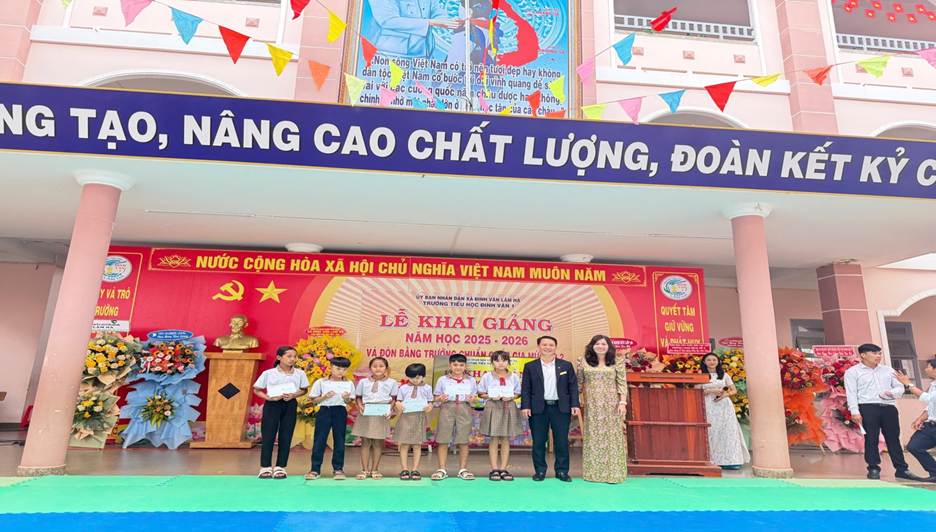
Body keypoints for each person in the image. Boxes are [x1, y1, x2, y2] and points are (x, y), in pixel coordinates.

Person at [844, 343, 920, 480]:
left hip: (888, 407)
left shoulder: (888, 370)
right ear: (863, 355)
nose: (878, 356)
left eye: (879, 353)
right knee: (871, 438)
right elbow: (851, 393)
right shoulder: (852, 372)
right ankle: (873, 468)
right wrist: (854, 411)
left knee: (893, 438)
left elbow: (900, 388)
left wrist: (891, 393)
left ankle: (902, 469)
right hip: (867, 407)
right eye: (874, 353)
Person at [521, 335, 580, 482]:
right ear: (539, 347)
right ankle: (540, 471)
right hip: (538, 409)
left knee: (561, 441)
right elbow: (526, 388)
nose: (547, 347)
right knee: (539, 441)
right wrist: (525, 406)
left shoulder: (566, 365)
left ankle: (562, 471)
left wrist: (575, 404)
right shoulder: (530, 366)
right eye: (544, 344)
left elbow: (573, 387)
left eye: (551, 345)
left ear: (555, 347)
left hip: (560, 408)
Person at [576, 335, 628, 483]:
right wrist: (575, 402)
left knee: (612, 437)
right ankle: (594, 473)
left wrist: (622, 402)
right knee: (593, 437)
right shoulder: (583, 362)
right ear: (591, 346)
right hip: (592, 406)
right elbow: (579, 383)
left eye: (603, 344)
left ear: (609, 346)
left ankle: (614, 474)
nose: (600, 346)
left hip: (612, 405)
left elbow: (622, 383)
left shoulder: (617, 361)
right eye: (597, 344)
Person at [252, 346, 308, 479]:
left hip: (290, 404)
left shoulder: (300, 373)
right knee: (268, 435)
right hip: (272, 405)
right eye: (289, 356)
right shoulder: (268, 373)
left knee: (286, 435)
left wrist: (294, 395)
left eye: (294, 356)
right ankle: (265, 467)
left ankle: (280, 467)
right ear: (279, 357)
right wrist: (268, 398)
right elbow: (257, 389)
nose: (292, 359)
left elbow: (304, 389)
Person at [304, 356, 355, 480]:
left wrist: (346, 398)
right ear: (331, 367)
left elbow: (351, 402)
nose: (341, 372)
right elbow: (313, 400)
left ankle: (338, 469)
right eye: (338, 368)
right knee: (319, 440)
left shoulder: (349, 383)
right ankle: (315, 469)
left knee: (339, 440)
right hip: (324, 411)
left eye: (344, 369)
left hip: (340, 411)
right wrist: (324, 397)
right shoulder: (321, 382)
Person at [700, 352, 750, 470]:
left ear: (718, 362)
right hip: (708, 405)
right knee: (712, 431)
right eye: (709, 360)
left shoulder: (724, 375)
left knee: (727, 431)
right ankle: (711, 459)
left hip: (724, 406)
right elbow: (697, 390)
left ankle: (731, 460)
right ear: (704, 362)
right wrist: (712, 391)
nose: (712, 362)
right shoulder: (700, 375)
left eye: (714, 360)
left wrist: (724, 395)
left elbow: (733, 390)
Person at [478, 350, 523, 481]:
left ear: (508, 362)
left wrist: (512, 397)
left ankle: (503, 469)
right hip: (493, 406)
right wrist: (491, 396)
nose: (501, 363)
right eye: (497, 360)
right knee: (494, 438)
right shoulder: (487, 376)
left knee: (505, 438)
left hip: (508, 407)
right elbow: (480, 393)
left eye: (504, 360)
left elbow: (518, 392)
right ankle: (494, 469)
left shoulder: (514, 376)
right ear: (492, 363)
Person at [432, 353, 478, 481]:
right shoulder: (442, 380)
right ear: (450, 365)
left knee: (463, 440)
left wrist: (473, 399)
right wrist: (440, 398)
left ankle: (463, 469)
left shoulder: (471, 380)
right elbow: (436, 398)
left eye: (461, 365)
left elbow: (474, 397)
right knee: (443, 439)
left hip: (464, 408)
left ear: (465, 366)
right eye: (455, 364)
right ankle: (441, 469)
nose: (458, 367)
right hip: (447, 408)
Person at [351, 357, 398, 480]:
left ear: (386, 368)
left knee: (378, 442)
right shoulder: (363, 382)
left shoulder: (392, 382)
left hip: (381, 413)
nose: (378, 368)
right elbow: (358, 397)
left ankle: (375, 469)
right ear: (370, 368)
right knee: (365, 442)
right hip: (366, 413)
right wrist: (360, 406)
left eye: (381, 366)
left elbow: (394, 398)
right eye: (375, 366)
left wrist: (390, 409)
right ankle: (364, 470)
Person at [366, 0, 460, 59]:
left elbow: (438, 12)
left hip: (425, 55)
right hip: (391, 55)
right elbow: (387, 21)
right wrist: (430, 22)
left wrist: (453, 21)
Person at [895, 358, 936, 482]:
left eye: (928, 367)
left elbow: (927, 398)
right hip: (931, 425)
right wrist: (921, 418)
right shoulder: (933, 384)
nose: (925, 369)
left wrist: (908, 384)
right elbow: (931, 405)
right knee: (914, 446)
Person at [394, 363, 434, 480]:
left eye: (418, 377)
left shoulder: (427, 388)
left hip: (419, 418)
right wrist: (398, 404)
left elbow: (430, 402)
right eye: (412, 377)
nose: (415, 380)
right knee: (404, 444)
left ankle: (415, 469)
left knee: (417, 445)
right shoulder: (403, 388)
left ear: (423, 376)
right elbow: (398, 401)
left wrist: (429, 407)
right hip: (405, 417)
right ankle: (404, 469)